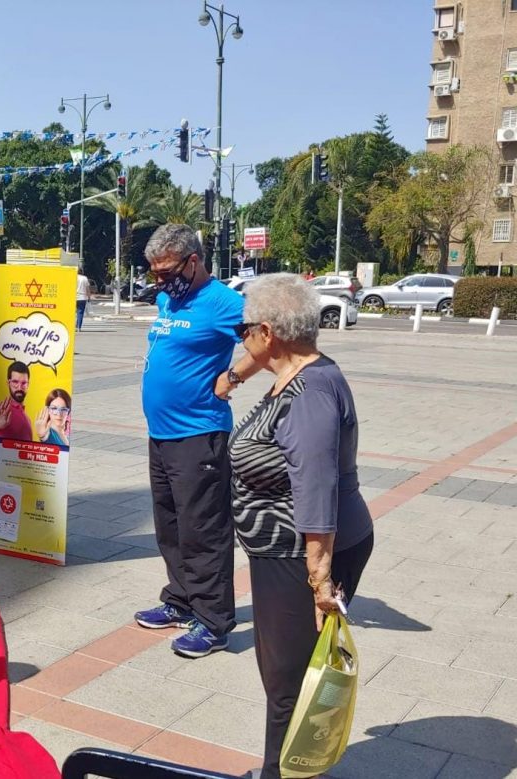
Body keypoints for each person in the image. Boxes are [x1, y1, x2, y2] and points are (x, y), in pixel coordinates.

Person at [229, 274, 373, 779]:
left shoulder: (309, 395)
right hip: (283, 548)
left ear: (268, 332)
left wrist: (319, 583)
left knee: (288, 677)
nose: (239, 340)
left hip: (300, 552)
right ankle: (289, 768)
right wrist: (236, 376)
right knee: (286, 672)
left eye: (244, 329)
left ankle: (281, 775)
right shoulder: (298, 370)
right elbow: (259, 356)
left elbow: (315, 490)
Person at [133, 224, 260, 658]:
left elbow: (267, 340)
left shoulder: (224, 303)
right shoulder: (171, 297)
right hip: (162, 434)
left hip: (199, 435)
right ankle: (181, 600)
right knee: (170, 526)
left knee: (203, 530)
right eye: (154, 274)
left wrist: (235, 375)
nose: (160, 282)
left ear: (193, 261)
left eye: (167, 272)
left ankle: (213, 621)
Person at [0, 361, 33, 442]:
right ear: (8, 383)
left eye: (24, 383)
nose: (19, 387)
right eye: (15, 382)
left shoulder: (27, 419)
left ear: (28, 385)